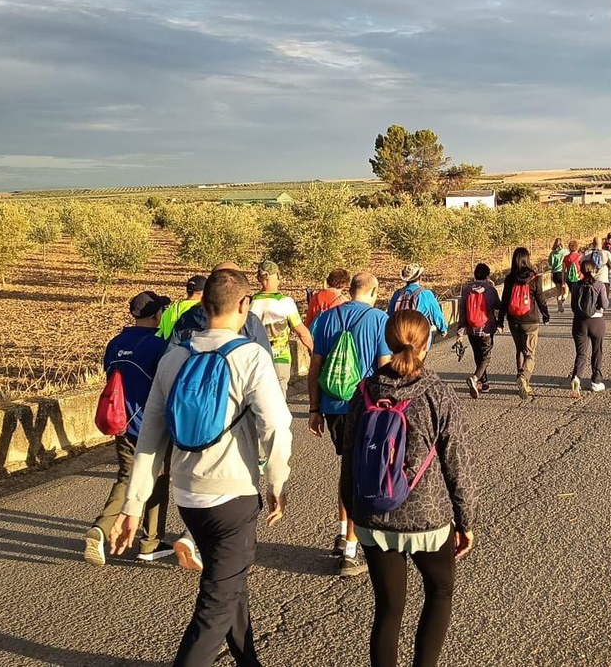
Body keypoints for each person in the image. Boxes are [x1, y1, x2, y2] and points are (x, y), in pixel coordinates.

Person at [110, 269, 292, 667]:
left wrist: (134, 504)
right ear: (244, 305)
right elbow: (276, 424)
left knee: (230, 586)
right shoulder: (250, 355)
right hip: (233, 496)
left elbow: (151, 436)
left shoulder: (175, 357)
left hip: (189, 497)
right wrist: (277, 481)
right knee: (215, 607)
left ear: (203, 305)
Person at [339, 310, 478, 667]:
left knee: (387, 609)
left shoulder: (364, 392)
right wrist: (466, 521)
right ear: (427, 343)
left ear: (388, 340)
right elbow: (457, 464)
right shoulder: (438, 394)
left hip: (373, 516)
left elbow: (350, 458)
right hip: (427, 518)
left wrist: (355, 510)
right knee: (439, 591)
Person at [308, 272, 392, 577]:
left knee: (347, 469)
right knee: (362, 476)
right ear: (372, 292)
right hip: (365, 406)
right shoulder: (378, 320)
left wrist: (315, 408)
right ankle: (351, 551)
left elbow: (315, 366)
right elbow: (384, 370)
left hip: (332, 406)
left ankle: (343, 532)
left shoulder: (325, 319)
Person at [87, 290, 175, 566]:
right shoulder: (160, 346)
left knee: (127, 476)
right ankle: (150, 542)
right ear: (156, 314)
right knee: (157, 479)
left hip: (120, 422)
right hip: (151, 423)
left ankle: (102, 528)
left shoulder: (115, 344)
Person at [173, 262, 274, 353]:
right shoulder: (251, 323)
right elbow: (267, 363)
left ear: (204, 300)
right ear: (244, 303)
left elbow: (169, 362)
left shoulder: (186, 319)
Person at [251, 260, 314, 398]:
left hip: (257, 359)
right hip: (280, 359)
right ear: (278, 275)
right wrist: (312, 350)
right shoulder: (285, 302)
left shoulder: (250, 302)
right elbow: (301, 332)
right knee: (278, 398)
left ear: (258, 278)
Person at [496, 247, 550, 400]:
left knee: (520, 350)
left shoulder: (509, 279)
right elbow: (540, 298)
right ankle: (524, 378)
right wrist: (545, 314)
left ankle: (523, 383)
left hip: (514, 321)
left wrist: (500, 321)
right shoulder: (534, 278)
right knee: (530, 353)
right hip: (530, 320)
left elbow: (505, 302)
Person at [457, 263, 501, 398]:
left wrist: (460, 332)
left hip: (471, 329)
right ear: (487, 275)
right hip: (486, 328)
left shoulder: (466, 290)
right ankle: (476, 378)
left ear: (475, 275)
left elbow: (462, 311)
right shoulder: (490, 290)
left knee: (478, 355)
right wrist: (500, 323)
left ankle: (485, 383)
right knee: (486, 356)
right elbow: (498, 306)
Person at [569, 259, 608, 397]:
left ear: (581, 270)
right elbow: (605, 304)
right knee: (597, 351)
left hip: (579, 322)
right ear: (595, 270)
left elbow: (573, 305)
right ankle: (596, 381)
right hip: (597, 321)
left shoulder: (575, 286)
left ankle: (576, 377)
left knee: (581, 353)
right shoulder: (599, 285)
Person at [389, 264, 449, 337]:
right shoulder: (426, 294)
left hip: (399, 336)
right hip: (419, 336)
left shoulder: (397, 294)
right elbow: (436, 314)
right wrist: (443, 329)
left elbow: (390, 314)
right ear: (419, 277)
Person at [159, 275, 208, 339]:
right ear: (204, 292)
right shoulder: (203, 310)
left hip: (169, 347)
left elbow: (159, 333)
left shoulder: (170, 309)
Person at [548, 238, 569, 314]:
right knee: (566, 290)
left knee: (558, 291)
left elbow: (550, 263)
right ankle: (563, 299)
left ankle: (559, 306)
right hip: (563, 272)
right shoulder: (565, 251)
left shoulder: (552, 253)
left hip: (555, 273)